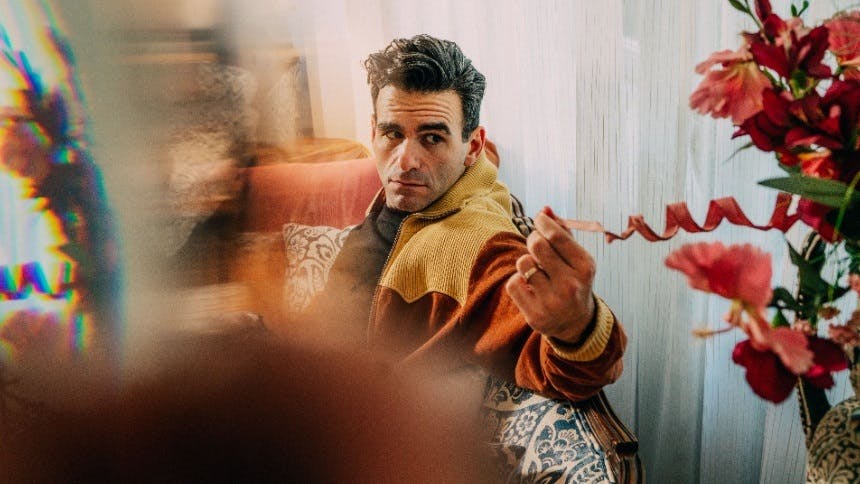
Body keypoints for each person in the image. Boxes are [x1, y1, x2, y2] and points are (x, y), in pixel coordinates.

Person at [301, 34, 625, 401]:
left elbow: (572, 369)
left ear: (473, 146)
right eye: (392, 133)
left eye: (432, 138)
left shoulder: (477, 245)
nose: (405, 161)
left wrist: (578, 327)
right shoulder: (411, 199)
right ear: (374, 132)